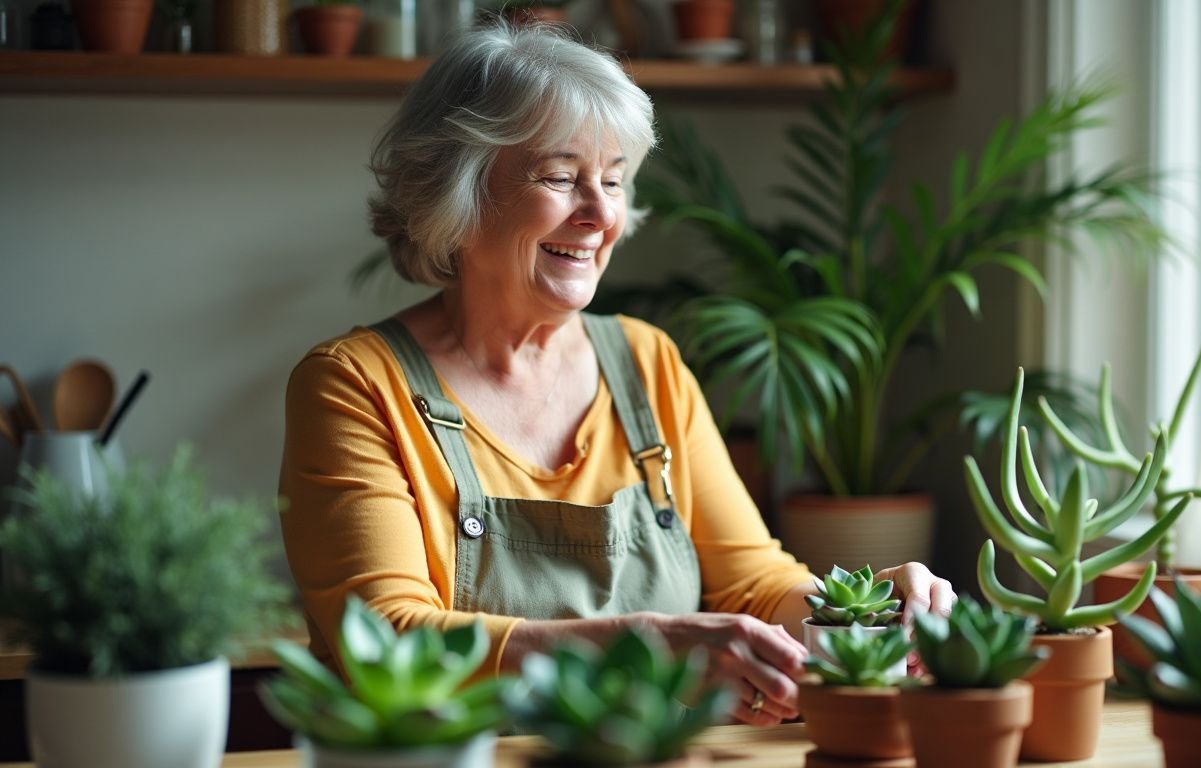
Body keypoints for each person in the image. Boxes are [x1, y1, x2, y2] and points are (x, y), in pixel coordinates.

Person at [278, 20, 954, 727]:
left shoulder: (647, 362)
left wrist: (867, 608)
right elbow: (387, 638)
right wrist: (650, 644)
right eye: (562, 177)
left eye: (614, 180)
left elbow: (754, 586)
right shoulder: (354, 385)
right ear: (460, 196)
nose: (601, 214)